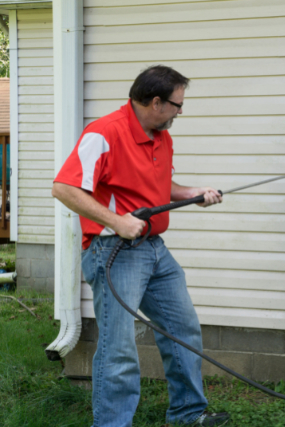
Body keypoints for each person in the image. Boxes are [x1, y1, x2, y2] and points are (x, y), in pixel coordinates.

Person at [52, 65, 230, 427]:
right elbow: (64, 188)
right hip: (114, 253)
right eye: (178, 105)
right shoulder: (104, 133)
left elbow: (157, 187)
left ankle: (187, 413)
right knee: (119, 350)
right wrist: (117, 221)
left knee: (183, 330)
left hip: (155, 250)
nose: (181, 111)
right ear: (155, 102)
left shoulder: (160, 135)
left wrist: (191, 193)